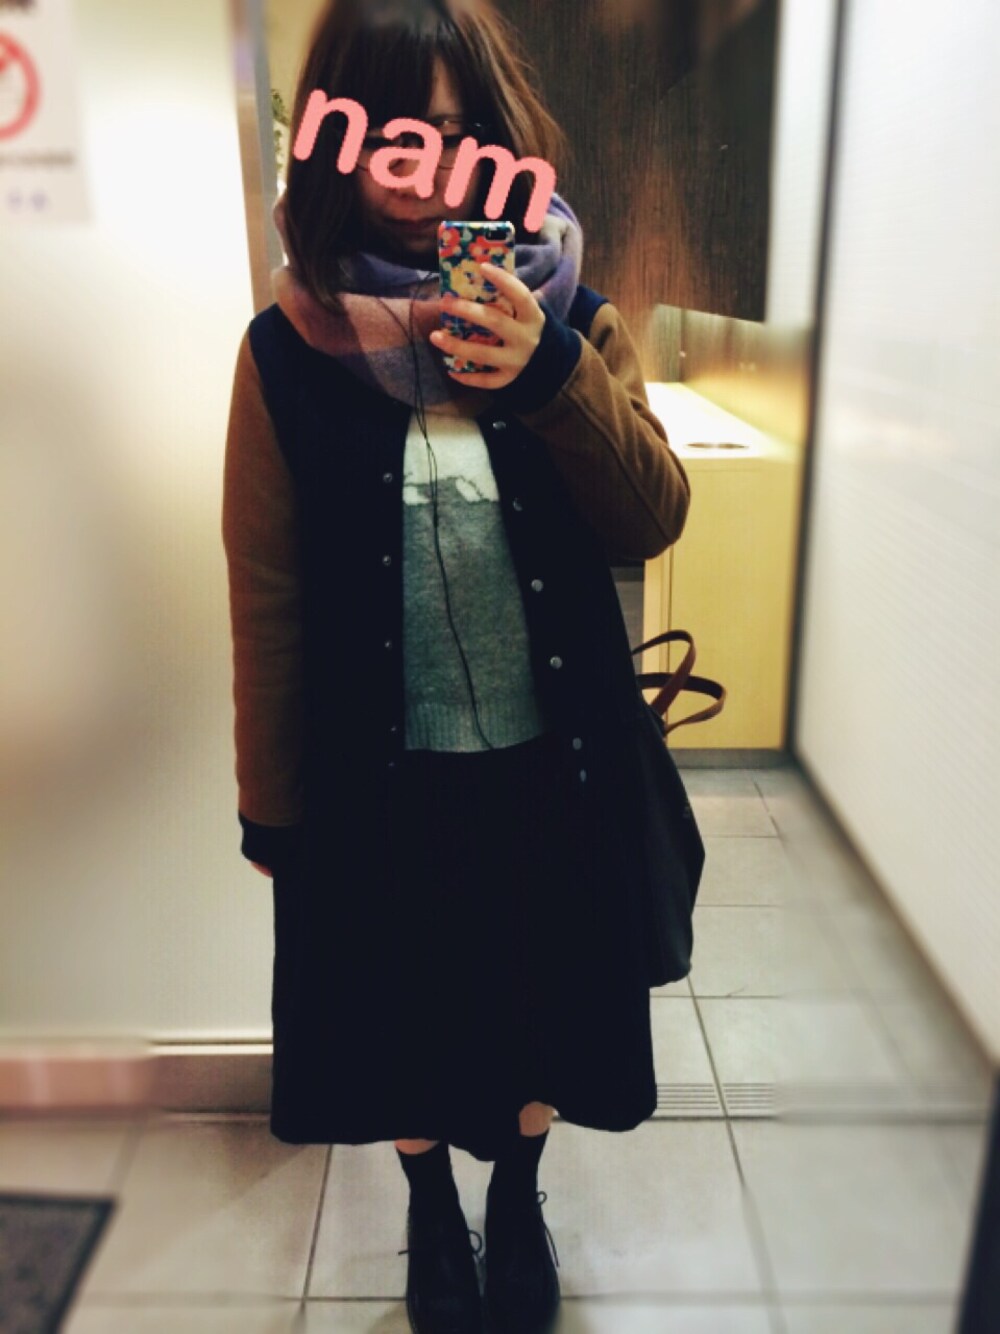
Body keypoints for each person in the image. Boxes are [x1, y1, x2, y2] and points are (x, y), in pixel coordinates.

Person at [221, 2, 691, 1331]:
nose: (426, 165)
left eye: (456, 129)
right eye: (390, 131)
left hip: (553, 767)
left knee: (543, 1004)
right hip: (377, 777)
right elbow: (266, 598)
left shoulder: (570, 316)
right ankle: (432, 1207)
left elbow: (652, 516)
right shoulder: (284, 354)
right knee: (399, 1014)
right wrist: (272, 806)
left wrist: (550, 375)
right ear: (333, 143)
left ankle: (518, 1197)